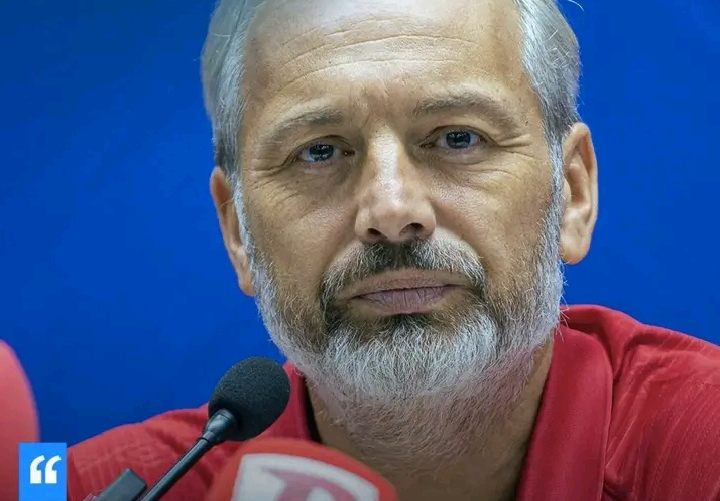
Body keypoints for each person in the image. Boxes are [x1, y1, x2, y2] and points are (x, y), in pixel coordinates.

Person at [67, 0, 720, 499]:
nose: (392, 212)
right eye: (319, 151)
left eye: (458, 138)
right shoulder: (91, 481)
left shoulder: (701, 442)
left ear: (572, 194)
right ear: (237, 230)